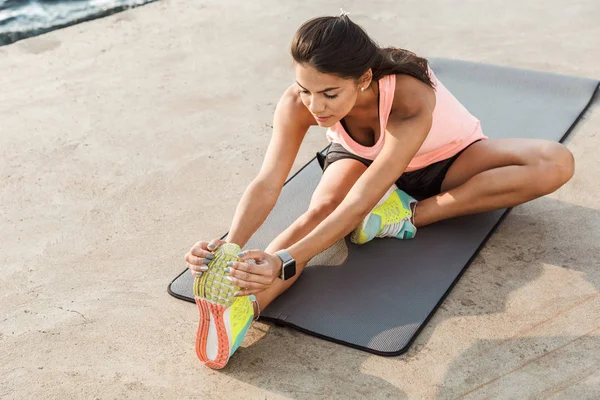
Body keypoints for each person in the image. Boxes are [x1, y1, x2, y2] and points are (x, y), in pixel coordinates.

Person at [184, 13, 575, 369]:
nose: (315, 106)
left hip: (446, 161)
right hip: (363, 160)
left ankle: (407, 214)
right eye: (305, 89)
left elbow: (359, 203)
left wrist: (284, 259)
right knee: (320, 211)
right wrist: (229, 246)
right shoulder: (300, 100)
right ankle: (243, 303)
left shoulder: (409, 98)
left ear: (364, 80)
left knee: (555, 162)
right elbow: (268, 181)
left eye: (330, 94)